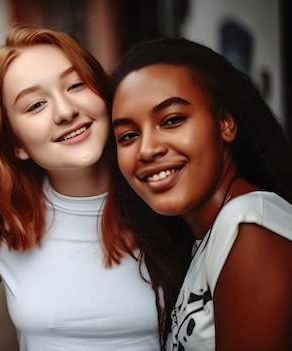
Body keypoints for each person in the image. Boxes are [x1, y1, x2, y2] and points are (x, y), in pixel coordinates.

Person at [0, 23, 161, 350]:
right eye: (36, 105)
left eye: (75, 85)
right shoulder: (1, 225)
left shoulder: (167, 202)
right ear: (16, 143)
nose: (66, 112)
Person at [107, 36, 292, 350]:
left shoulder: (250, 227)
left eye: (173, 120)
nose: (148, 149)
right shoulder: (211, 235)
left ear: (225, 123)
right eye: (128, 135)